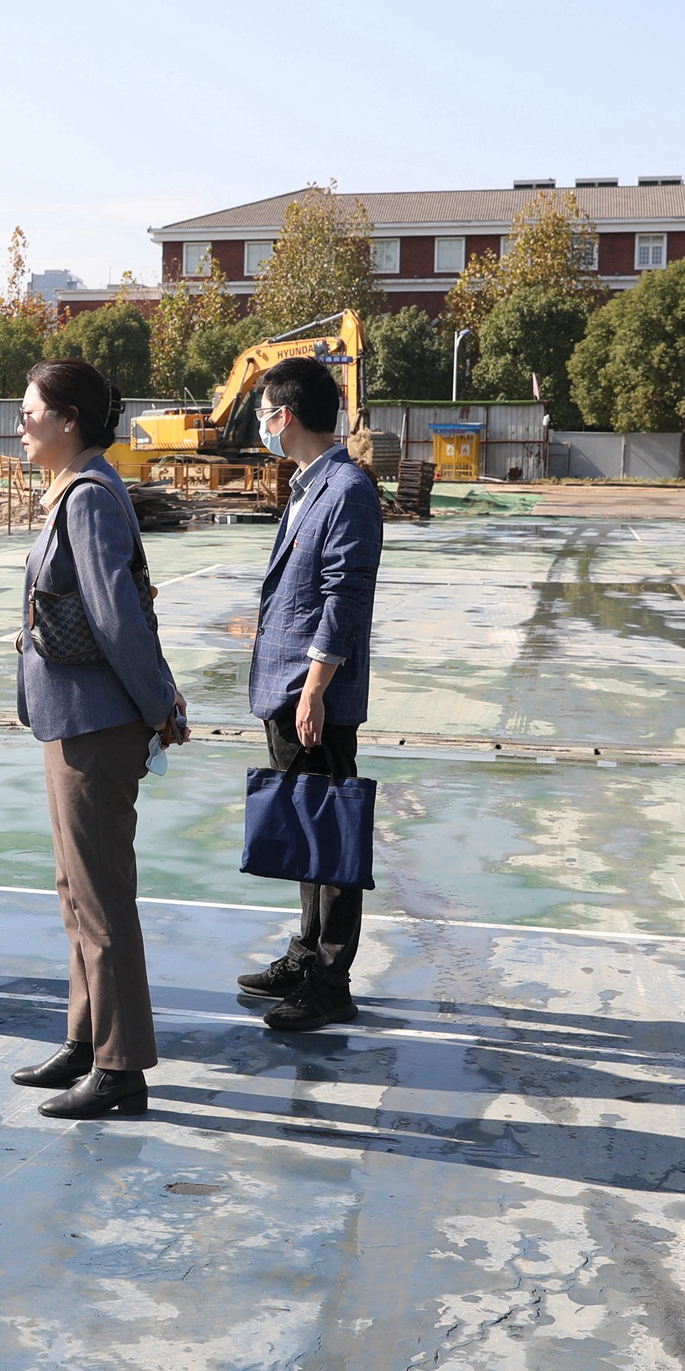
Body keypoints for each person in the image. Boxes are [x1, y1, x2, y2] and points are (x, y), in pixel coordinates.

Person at [10, 359, 189, 1120]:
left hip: (96, 723)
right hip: (71, 718)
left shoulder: (87, 498)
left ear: (69, 419)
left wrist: (159, 705)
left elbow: (118, 619)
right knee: (76, 891)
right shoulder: (74, 491)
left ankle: (120, 1067)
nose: (20, 426)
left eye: (30, 413)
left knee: (102, 896)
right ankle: (87, 1040)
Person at [236, 356, 383, 1031]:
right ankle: (305, 954)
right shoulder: (308, 484)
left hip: (311, 694)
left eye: (264, 412)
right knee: (306, 827)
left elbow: (343, 595)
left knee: (331, 833)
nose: (260, 424)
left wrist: (316, 688)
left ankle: (330, 980)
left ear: (286, 415)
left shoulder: (346, 488)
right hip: (289, 688)